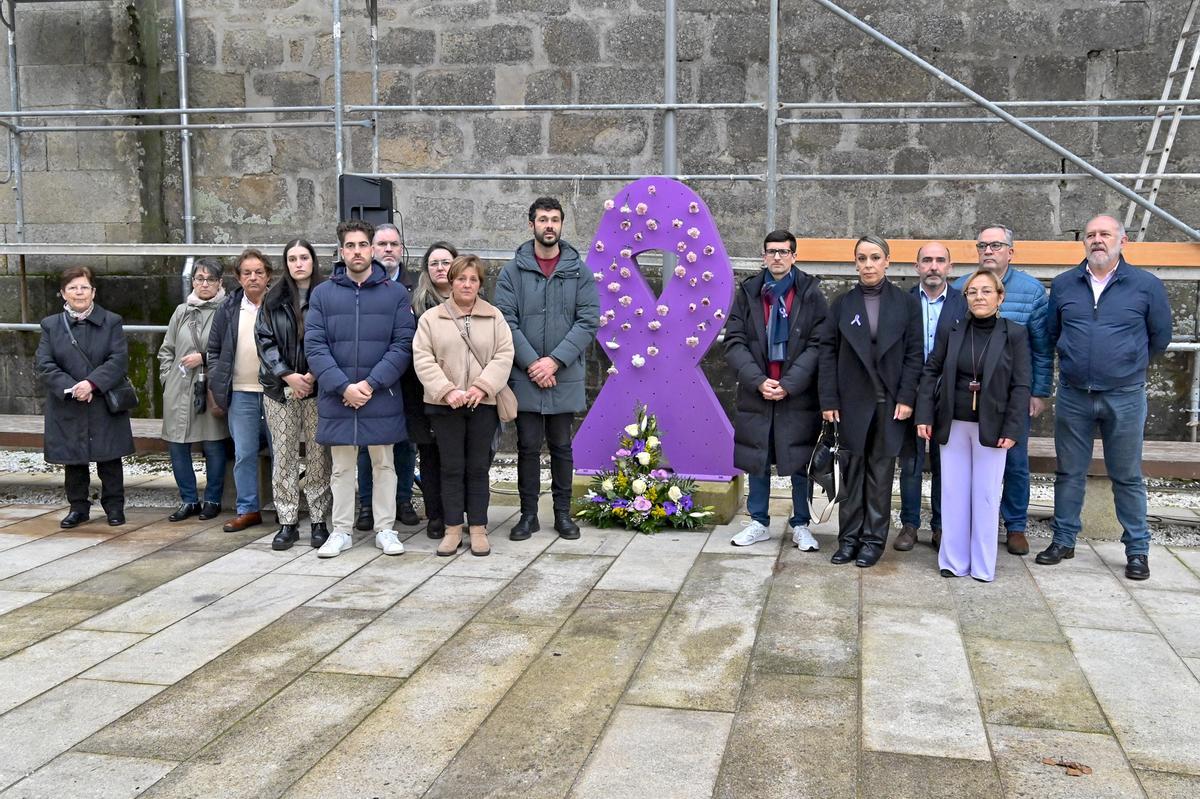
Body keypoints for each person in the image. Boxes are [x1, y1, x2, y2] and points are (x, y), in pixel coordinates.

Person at [1037, 214, 1172, 581]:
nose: (1097, 240)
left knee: (1127, 475)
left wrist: (1126, 363)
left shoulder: (1146, 285)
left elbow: (1160, 337)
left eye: (1105, 234)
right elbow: (1053, 333)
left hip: (1125, 396)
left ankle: (1137, 550)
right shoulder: (1065, 284)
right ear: (1085, 242)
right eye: (1092, 234)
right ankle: (1063, 539)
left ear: (1122, 241)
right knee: (1069, 472)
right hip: (1074, 395)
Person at [305, 219, 416, 558]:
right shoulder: (322, 294)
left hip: (380, 394)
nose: (357, 251)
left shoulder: (395, 294)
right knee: (341, 467)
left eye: (362, 245)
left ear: (372, 249)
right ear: (341, 252)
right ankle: (341, 531)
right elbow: (315, 346)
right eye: (350, 246)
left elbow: (402, 345)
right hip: (338, 396)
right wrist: (343, 386)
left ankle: (385, 529)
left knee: (384, 464)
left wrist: (369, 384)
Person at [494, 197, 599, 541]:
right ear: (531, 225)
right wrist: (532, 363)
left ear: (561, 225)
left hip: (563, 374)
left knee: (561, 447)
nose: (549, 225)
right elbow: (506, 321)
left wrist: (553, 361)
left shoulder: (578, 271)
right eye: (542, 220)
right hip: (525, 375)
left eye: (554, 219)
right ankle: (527, 515)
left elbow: (587, 321)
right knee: (526, 446)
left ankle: (563, 514)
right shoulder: (513, 271)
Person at [916, 269, 1031, 582]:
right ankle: (953, 561)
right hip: (952, 423)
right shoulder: (952, 330)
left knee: (986, 495)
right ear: (965, 298)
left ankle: (982, 565)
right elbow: (930, 372)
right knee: (953, 493)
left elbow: (1022, 386)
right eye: (972, 292)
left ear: (1000, 297)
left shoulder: (1015, 333)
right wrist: (924, 415)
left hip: (992, 427)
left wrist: (1013, 429)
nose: (979, 297)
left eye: (986, 291)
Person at [819, 235, 923, 567]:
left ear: (887, 261)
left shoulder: (906, 304)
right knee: (850, 475)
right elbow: (827, 354)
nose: (868, 264)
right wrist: (829, 398)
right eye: (862, 258)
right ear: (855, 263)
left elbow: (914, 354)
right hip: (851, 403)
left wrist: (907, 397)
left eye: (875, 257)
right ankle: (848, 539)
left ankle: (873, 541)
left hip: (890, 404)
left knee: (880, 476)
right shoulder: (842, 304)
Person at [723, 229, 826, 550]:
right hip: (758, 391)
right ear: (763, 256)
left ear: (794, 256)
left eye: (783, 252)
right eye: (771, 252)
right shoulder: (750, 292)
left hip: (796, 394)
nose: (777, 257)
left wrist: (789, 383)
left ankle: (800, 524)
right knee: (758, 457)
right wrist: (758, 380)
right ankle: (758, 521)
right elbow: (735, 341)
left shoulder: (810, 293)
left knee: (798, 460)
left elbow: (818, 343)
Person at [954, 225, 1051, 556]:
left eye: (996, 245)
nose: (988, 250)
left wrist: (1037, 392)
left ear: (1011, 251)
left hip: (1011, 396)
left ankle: (1015, 526)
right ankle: (969, 525)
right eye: (983, 245)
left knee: (1014, 460)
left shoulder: (1031, 291)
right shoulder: (961, 287)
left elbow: (1042, 346)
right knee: (968, 464)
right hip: (966, 396)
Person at [413, 254, 515, 557]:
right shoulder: (431, 319)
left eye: (473, 279)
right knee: (451, 467)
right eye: (461, 279)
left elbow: (503, 355)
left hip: (482, 404)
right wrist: (447, 391)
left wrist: (481, 387)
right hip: (445, 406)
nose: (467, 284)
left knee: (479, 467)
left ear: (480, 284)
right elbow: (423, 358)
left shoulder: (494, 317)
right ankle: (453, 528)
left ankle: (479, 528)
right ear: (451, 282)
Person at [35, 266, 135, 528]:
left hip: (102, 400)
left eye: (84, 287)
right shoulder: (51, 325)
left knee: (109, 458)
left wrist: (91, 384)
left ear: (93, 291)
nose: (79, 292)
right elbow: (45, 363)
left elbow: (118, 360)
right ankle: (78, 507)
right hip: (69, 402)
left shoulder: (111, 321)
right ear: (62, 293)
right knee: (73, 459)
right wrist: (72, 387)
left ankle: (114, 507)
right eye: (72, 288)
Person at [256, 239, 333, 550]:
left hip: (318, 388)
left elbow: (333, 337)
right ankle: (287, 520)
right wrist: (287, 374)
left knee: (318, 455)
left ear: (313, 261)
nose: (299, 263)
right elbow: (264, 341)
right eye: (292, 258)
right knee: (284, 455)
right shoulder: (273, 299)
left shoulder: (327, 296)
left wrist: (314, 375)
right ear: (285, 264)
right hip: (281, 389)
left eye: (304, 257)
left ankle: (318, 519)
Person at [896, 242, 966, 551]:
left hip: (947, 394)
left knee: (944, 464)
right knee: (910, 462)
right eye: (927, 261)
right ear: (917, 267)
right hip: (909, 392)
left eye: (940, 261)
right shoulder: (903, 301)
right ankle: (909, 525)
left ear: (950, 267)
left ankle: (940, 526)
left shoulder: (963, 303)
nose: (933, 266)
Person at [355, 222, 422, 532]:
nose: (388, 250)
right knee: (369, 445)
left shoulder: (415, 288)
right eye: (382, 244)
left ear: (401, 249)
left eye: (394, 244)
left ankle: (403, 499)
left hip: (406, 378)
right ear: (371, 249)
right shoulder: (360, 285)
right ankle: (367, 505)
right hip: (371, 377)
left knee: (405, 444)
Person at [158, 258, 229, 522]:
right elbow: (167, 349)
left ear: (220, 282)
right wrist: (167, 379)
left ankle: (212, 499)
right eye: (199, 278)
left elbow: (231, 350)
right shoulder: (181, 311)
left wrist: (205, 358)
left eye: (210, 279)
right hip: (180, 387)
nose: (204, 284)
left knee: (214, 444)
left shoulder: (227, 310)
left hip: (211, 387)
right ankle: (188, 500)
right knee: (177, 445)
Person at [207, 249, 273, 532]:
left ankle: (286, 506)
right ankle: (248, 509)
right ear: (238, 277)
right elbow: (213, 350)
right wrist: (218, 381)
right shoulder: (228, 307)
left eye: (258, 272)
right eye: (247, 273)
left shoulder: (279, 304)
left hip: (276, 391)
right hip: (241, 391)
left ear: (268, 275)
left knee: (281, 451)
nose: (253, 277)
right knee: (244, 452)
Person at [405, 241, 459, 540]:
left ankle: (460, 512)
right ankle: (436, 514)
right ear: (427, 270)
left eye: (446, 262)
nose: (441, 268)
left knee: (461, 457)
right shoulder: (415, 306)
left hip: (464, 394)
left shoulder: (473, 302)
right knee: (431, 457)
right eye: (435, 263)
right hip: (424, 393)